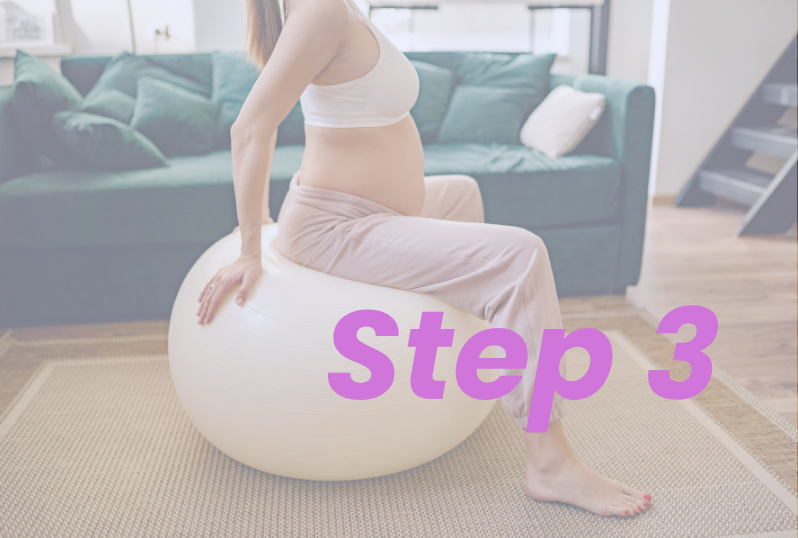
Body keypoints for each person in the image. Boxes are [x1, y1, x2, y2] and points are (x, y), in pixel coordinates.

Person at [195, 0, 652, 517]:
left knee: (463, 194)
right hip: (338, 227)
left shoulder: (330, 6)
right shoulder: (319, 9)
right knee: (523, 256)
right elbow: (249, 128)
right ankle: (550, 462)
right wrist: (252, 243)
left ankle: (475, 367)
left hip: (367, 210)